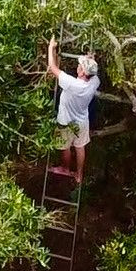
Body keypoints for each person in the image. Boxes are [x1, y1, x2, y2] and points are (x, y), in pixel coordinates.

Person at [46, 36, 100, 184]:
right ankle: (79, 175)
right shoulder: (94, 82)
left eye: (80, 66)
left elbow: (53, 68)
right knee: (80, 147)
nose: (78, 66)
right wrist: (91, 58)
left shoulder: (72, 84)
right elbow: (93, 71)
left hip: (66, 122)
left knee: (65, 147)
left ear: (82, 72)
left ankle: (65, 168)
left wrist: (51, 48)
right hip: (82, 121)